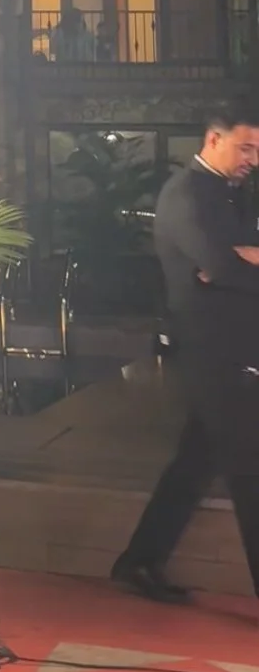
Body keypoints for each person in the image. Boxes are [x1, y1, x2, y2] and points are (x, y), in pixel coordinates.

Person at [111, 97, 259, 603]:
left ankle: (138, 561)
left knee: (195, 463)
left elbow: (233, 266)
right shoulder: (188, 195)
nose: (253, 158)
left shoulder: (229, 192)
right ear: (212, 139)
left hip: (233, 351)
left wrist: (243, 261)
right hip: (217, 356)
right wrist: (237, 263)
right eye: (245, 147)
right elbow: (224, 266)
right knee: (250, 475)